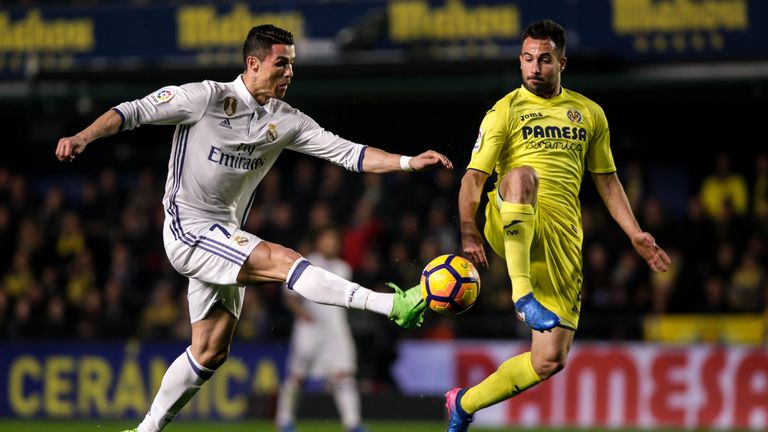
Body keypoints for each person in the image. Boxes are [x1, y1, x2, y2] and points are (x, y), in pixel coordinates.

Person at [54, 24, 452, 432]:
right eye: (282, 64)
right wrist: (83, 137)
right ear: (253, 63)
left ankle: (145, 430)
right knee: (285, 260)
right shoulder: (205, 98)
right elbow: (132, 111)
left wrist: (406, 162)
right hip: (187, 229)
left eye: (293, 65)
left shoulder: (286, 120)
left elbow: (348, 152)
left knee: (209, 351)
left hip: (223, 232)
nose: (290, 74)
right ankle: (389, 305)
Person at [446, 20, 671, 431]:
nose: (534, 68)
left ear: (561, 63)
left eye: (544, 60)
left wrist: (635, 232)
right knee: (520, 175)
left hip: (561, 238)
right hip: (511, 216)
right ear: (520, 61)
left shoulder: (588, 113)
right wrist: (468, 227)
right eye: (528, 59)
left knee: (549, 359)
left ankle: (464, 403)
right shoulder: (504, 111)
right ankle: (521, 294)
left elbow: (606, 179)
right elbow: (473, 179)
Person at [275, 226, 365, 432]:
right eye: (327, 239)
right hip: (309, 329)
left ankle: (353, 424)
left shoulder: (344, 268)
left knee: (344, 376)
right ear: (319, 242)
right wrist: (303, 314)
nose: (331, 244)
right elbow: (289, 296)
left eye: (334, 240)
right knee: (297, 376)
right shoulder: (306, 264)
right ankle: (284, 421)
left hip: (335, 330)